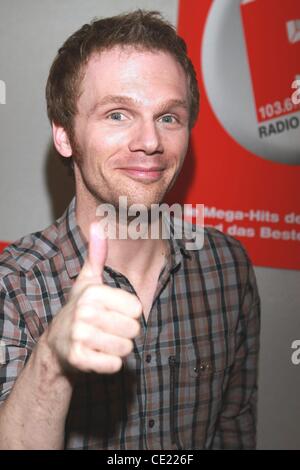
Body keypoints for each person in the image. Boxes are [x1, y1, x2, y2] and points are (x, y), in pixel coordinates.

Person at [0, 10, 260, 450]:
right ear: (65, 136)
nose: (150, 141)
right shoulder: (13, 286)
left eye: (169, 117)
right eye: (118, 114)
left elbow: (234, 431)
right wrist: (52, 361)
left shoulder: (227, 268)